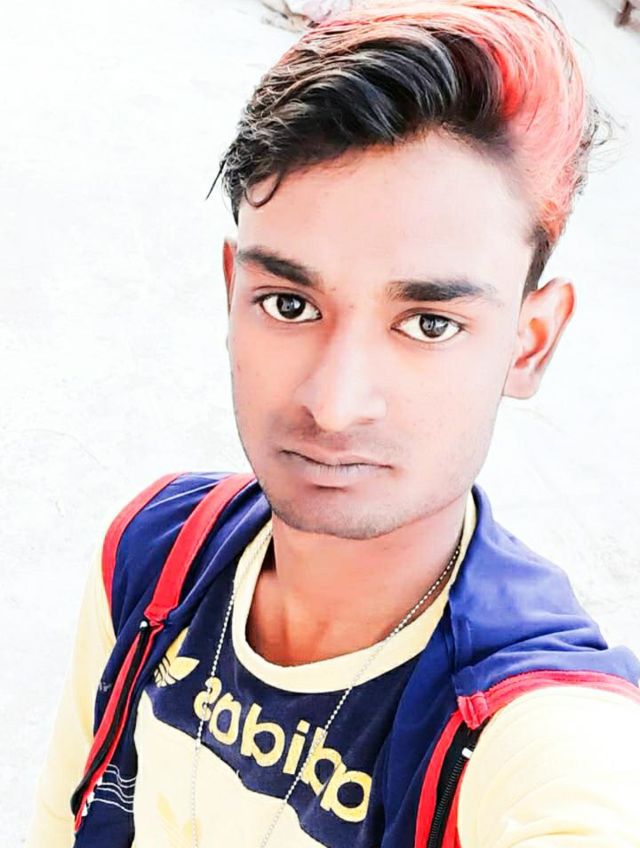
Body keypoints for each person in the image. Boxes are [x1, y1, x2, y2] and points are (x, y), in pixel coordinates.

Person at [25, 1, 640, 847]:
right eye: (289, 304)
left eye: (429, 323)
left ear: (529, 343)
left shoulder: (534, 734)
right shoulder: (154, 553)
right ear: (233, 293)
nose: (335, 403)